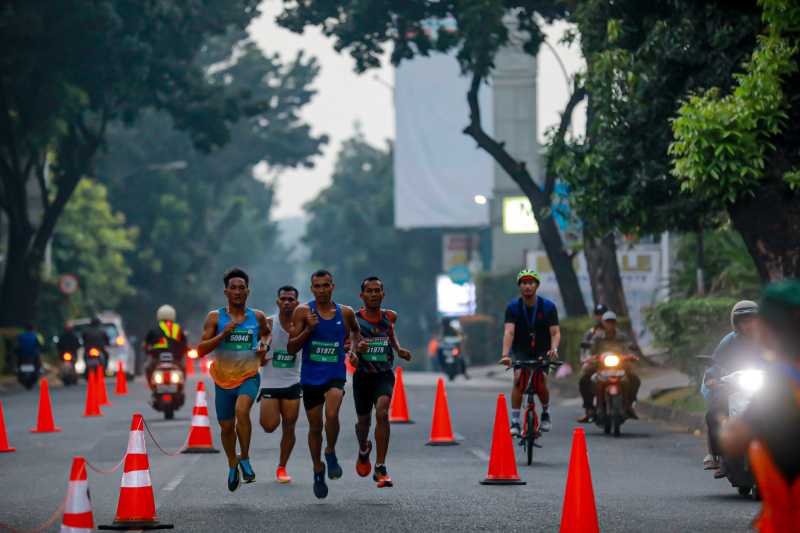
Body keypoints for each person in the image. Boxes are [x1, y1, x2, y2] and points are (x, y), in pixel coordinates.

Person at [287, 269, 361, 499]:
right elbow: (291, 348)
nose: (321, 290)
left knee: (332, 413)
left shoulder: (346, 312)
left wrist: (354, 352)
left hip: (335, 374)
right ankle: (318, 469)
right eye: (317, 286)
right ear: (312, 289)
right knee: (315, 427)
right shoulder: (302, 311)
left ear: (332, 286)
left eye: (325, 285)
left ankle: (330, 452)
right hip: (310, 377)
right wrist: (308, 329)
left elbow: (356, 333)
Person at [198, 268, 270, 492]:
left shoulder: (256, 316)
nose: (238, 292)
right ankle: (232, 463)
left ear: (247, 291)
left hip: (249, 375)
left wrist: (263, 345)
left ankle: (245, 458)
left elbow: (266, 333)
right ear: (226, 292)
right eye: (233, 288)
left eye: (242, 288)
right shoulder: (215, 317)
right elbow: (201, 349)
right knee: (226, 427)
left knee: (242, 412)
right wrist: (222, 335)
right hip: (222, 380)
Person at [722, 280, 800, 484]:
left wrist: (725, 425)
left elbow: (734, 439)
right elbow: (718, 362)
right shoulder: (731, 341)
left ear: (768, 330)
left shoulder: (780, 384)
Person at [352, 277, 412, 488]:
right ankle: (363, 449)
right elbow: (345, 344)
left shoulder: (389, 316)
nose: (374, 294)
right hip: (362, 377)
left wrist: (398, 349)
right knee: (363, 423)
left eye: (377, 290)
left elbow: (390, 334)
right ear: (362, 295)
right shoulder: (355, 319)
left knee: (382, 413)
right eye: (369, 291)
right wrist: (355, 350)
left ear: (383, 294)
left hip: (383, 374)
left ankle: (380, 466)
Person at [700, 300, 761, 475]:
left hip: (766, 388)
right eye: (743, 320)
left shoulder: (769, 339)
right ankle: (717, 455)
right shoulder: (729, 341)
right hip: (734, 387)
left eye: (752, 319)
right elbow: (715, 363)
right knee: (714, 413)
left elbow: (783, 359)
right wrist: (712, 378)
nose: (748, 324)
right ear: (736, 323)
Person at [500, 270, 561, 436]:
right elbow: (509, 332)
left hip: (542, 350)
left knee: (541, 382)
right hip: (521, 349)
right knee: (519, 379)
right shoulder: (513, 307)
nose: (527, 286)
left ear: (537, 285)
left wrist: (554, 349)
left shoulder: (548, 307)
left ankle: (546, 413)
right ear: (520, 286)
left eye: (531, 283)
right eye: (524, 283)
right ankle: (515, 421)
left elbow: (555, 332)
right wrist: (505, 355)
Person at [259, 285, 302, 484]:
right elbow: (256, 353)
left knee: (289, 426)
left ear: (297, 303)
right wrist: (259, 355)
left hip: (293, 382)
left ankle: (282, 467)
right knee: (269, 426)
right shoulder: (268, 323)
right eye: (283, 299)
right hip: (270, 383)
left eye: (290, 299)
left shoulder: (302, 325)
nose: (287, 302)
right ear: (277, 302)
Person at [589, 311, 641, 419]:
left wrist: (631, 355)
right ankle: (593, 406)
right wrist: (592, 358)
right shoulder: (598, 337)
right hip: (601, 366)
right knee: (589, 379)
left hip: (620, 366)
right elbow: (591, 350)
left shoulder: (622, 336)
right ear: (603, 323)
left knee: (634, 379)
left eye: (612, 321)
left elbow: (628, 346)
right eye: (608, 322)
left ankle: (629, 404)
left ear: (615, 323)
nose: (610, 324)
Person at [577, 304, 608, 423]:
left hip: (615, 363)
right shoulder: (590, 333)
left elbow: (625, 345)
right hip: (596, 363)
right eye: (598, 314)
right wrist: (585, 360)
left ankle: (629, 405)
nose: (600, 317)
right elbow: (584, 351)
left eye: (603, 315)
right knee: (584, 379)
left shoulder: (615, 331)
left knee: (632, 378)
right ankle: (589, 409)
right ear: (595, 316)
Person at [144, 304, 188, 382]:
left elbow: (146, 344)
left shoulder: (154, 330)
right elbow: (184, 344)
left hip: (157, 359)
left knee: (147, 368)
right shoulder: (178, 329)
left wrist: (148, 350)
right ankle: (181, 386)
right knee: (183, 368)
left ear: (159, 315)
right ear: (173, 315)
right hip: (176, 359)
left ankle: (152, 385)